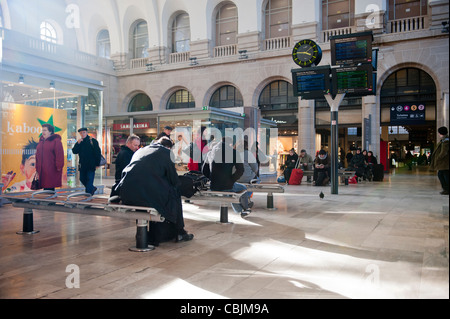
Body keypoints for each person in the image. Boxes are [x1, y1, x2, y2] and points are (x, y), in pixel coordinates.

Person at [115, 137, 194, 243]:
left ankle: (146, 234)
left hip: (126, 193)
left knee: (146, 194)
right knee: (175, 194)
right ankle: (179, 232)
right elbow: (174, 180)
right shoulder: (166, 153)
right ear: (169, 148)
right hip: (147, 196)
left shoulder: (141, 150)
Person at [203, 137, 251, 217]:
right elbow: (240, 170)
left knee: (230, 189)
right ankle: (245, 209)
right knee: (243, 188)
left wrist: (213, 179)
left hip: (213, 186)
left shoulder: (211, 152)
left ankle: (240, 210)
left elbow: (204, 170)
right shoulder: (234, 152)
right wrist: (231, 180)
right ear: (230, 144)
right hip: (227, 185)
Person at [35, 124, 65, 191]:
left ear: (50, 131)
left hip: (52, 169)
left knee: (49, 186)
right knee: (45, 187)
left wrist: (59, 167)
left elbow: (59, 155)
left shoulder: (56, 141)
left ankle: (51, 201)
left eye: (45, 130)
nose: (43, 132)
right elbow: (37, 155)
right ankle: (47, 200)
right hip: (42, 169)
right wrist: (37, 167)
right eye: (42, 130)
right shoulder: (41, 141)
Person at [72, 127, 102, 195]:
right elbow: (74, 151)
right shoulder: (80, 142)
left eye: (84, 132)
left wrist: (97, 163)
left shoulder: (93, 141)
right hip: (82, 164)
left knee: (89, 179)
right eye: (81, 133)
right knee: (82, 178)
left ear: (86, 133)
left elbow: (97, 152)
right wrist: (77, 143)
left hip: (91, 164)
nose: (82, 134)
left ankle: (88, 195)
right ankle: (92, 188)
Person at [430, 126, 449, 195]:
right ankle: (446, 189)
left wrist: (438, 157)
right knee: (442, 174)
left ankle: (447, 189)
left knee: (443, 175)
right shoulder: (444, 140)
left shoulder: (446, 141)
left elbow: (444, 152)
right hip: (443, 163)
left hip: (444, 163)